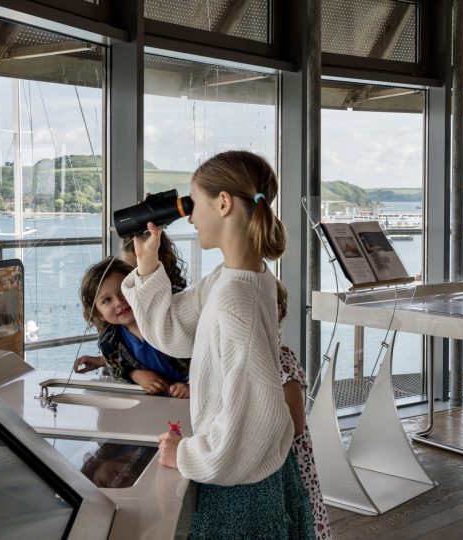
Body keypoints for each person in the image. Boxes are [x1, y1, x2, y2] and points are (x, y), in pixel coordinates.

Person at [121, 150, 315, 538]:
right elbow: (174, 331)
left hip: (241, 486)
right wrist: (146, 266)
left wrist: (188, 454)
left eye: (194, 204)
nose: (189, 217)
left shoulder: (234, 298)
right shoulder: (239, 277)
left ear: (223, 203)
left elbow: (258, 418)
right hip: (248, 473)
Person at [73, 232, 188, 374]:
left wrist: (190, 385)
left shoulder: (174, 310)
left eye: (137, 273)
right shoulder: (110, 339)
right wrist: (133, 374)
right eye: (130, 276)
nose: (120, 301)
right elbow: (123, 362)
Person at [76, 256, 190, 398]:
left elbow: (207, 353)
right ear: (100, 315)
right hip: (160, 402)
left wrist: (193, 386)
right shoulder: (109, 342)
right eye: (107, 300)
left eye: (123, 291)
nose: (118, 302)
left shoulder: (167, 316)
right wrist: (136, 375)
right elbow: (117, 367)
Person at [276, 280, 332, 540]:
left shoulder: (281, 358)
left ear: (277, 310)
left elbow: (296, 426)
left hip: (292, 462)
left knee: (299, 518)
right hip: (283, 461)